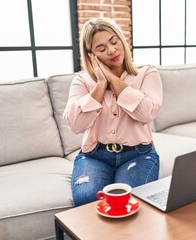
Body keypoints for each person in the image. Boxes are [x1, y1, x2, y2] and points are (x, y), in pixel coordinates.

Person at [63, 17, 163, 207]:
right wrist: (101, 84)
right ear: (91, 55)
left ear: (121, 40)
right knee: (87, 200)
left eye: (114, 41)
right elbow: (75, 125)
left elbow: (146, 114)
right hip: (94, 155)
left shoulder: (147, 73)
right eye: (101, 49)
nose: (111, 50)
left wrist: (113, 80)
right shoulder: (82, 81)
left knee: (131, 202)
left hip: (138, 154)